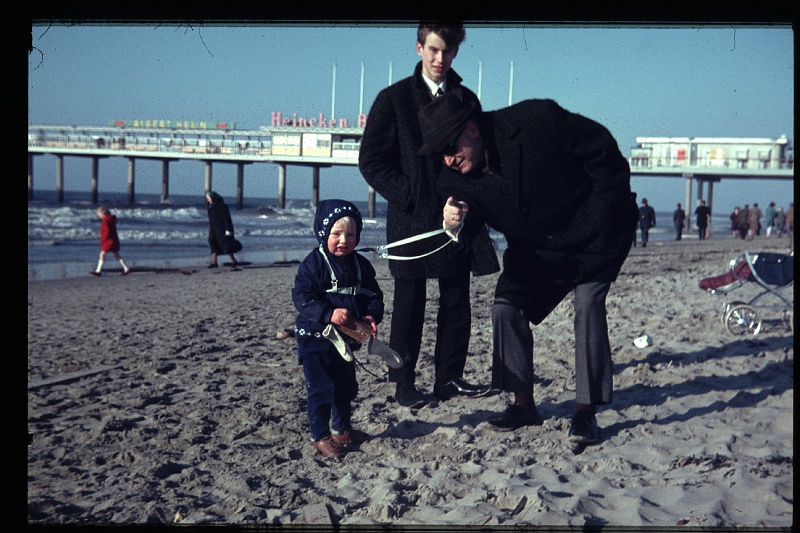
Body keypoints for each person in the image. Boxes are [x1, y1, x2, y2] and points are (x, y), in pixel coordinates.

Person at [418, 93, 637, 444]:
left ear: (472, 128)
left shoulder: (536, 117)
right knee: (505, 308)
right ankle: (523, 405)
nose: (448, 159)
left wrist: (604, 211)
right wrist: (452, 221)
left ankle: (585, 411)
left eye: (450, 147)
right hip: (537, 250)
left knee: (587, 305)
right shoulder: (451, 180)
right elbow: (467, 226)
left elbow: (601, 149)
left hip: (596, 235)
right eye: (439, 153)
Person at [358, 22, 499, 408]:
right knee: (409, 305)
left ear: (455, 53)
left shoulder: (467, 98)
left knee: (457, 300)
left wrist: (465, 201)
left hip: (459, 214)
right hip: (412, 217)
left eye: (448, 52)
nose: (440, 59)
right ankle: (404, 382)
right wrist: (412, 195)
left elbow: (481, 157)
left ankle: (449, 379)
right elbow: (370, 161)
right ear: (419, 47)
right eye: (434, 50)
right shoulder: (393, 99)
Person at [292, 199, 385, 457]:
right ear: (324, 233)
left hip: (346, 339)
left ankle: (341, 430)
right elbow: (302, 297)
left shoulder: (361, 265)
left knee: (345, 386)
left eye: (351, 235)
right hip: (316, 337)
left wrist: (371, 314)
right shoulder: (313, 264)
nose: (344, 240)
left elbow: (374, 295)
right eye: (336, 234)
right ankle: (319, 436)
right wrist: (328, 313)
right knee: (321, 388)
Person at [90, 205, 131, 277]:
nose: (99, 216)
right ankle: (126, 268)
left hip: (108, 241)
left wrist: (103, 238)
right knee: (117, 255)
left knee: (102, 254)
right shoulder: (111, 220)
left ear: (103, 214)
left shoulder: (105, 221)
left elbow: (107, 231)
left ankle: (98, 271)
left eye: (99, 214)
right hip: (114, 240)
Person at [205, 191, 239, 268]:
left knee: (226, 245)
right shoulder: (211, 207)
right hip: (213, 230)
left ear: (213, 198)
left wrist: (228, 231)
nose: (208, 200)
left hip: (222, 230)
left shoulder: (222, 206)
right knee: (213, 244)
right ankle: (214, 263)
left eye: (209, 199)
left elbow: (227, 219)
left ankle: (234, 261)